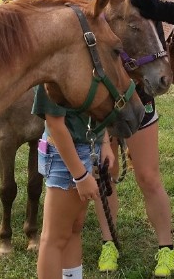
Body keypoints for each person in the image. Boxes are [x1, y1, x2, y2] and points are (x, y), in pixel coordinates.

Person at [94, 0, 174, 278]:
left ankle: (166, 248)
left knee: (148, 176)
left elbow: (154, 53)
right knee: (106, 178)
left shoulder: (145, 7)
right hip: (101, 105)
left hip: (140, 101)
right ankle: (108, 242)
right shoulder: (96, 5)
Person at [34, 84, 114, 279]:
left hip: (87, 148)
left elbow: (96, 107)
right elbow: (54, 124)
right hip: (66, 155)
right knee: (54, 238)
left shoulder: (86, 62)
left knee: (74, 228)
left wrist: (104, 143)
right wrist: (80, 175)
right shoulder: (54, 69)